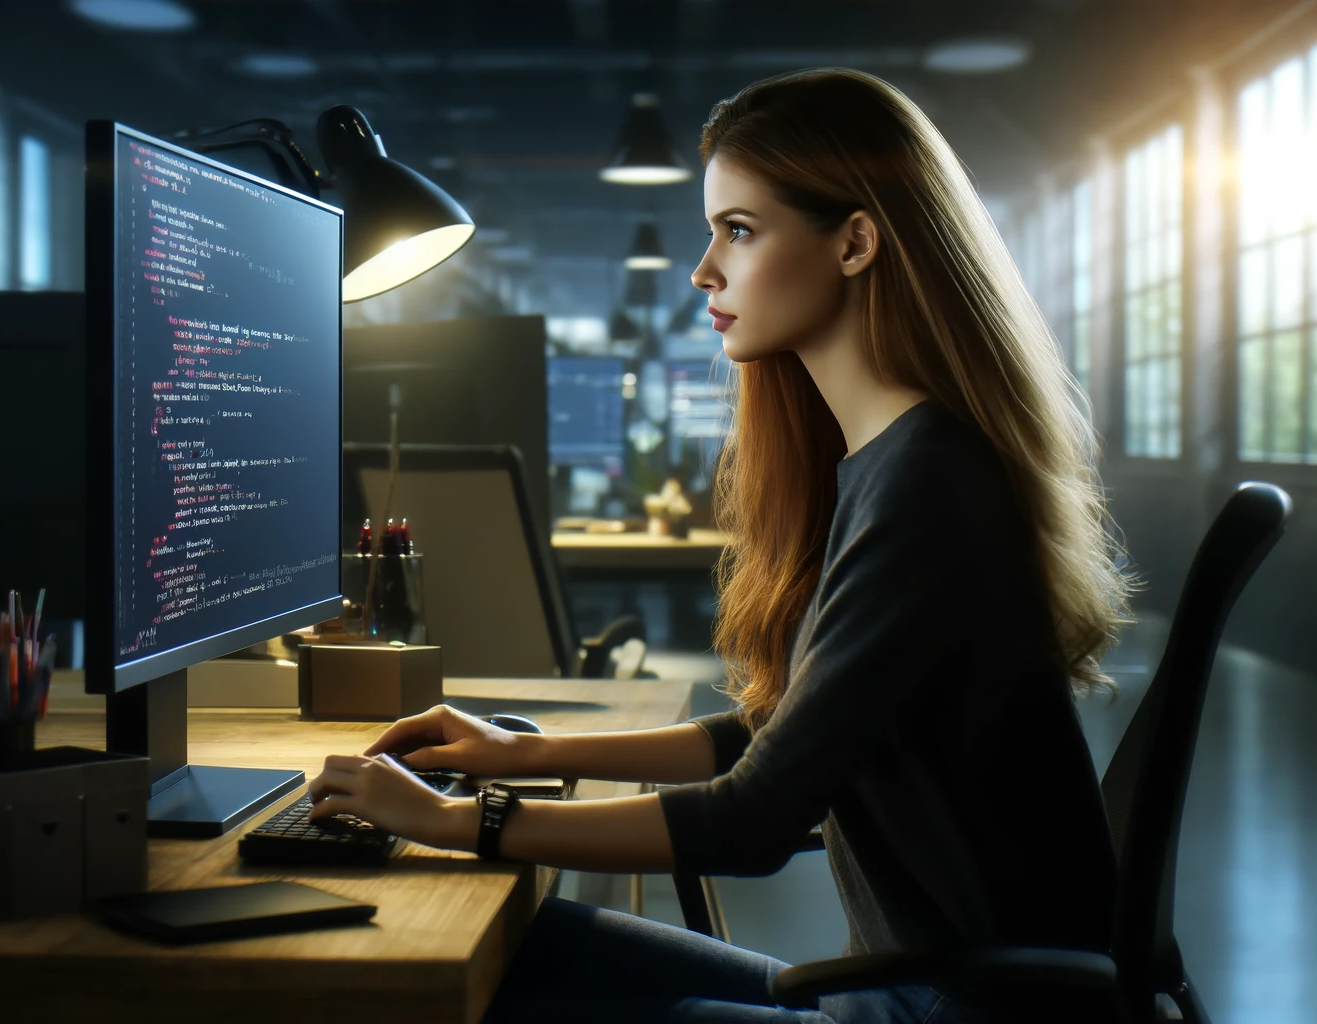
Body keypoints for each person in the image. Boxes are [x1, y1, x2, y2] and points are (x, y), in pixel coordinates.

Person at [306, 68, 1133, 1024]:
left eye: (739, 230)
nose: (706, 269)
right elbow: (783, 739)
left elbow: (755, 819)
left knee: (455, 987)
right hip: (914, 997)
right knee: (523, 950)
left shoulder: (929, 484)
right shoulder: (896, 461)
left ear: (856, 242)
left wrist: (454, 818)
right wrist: (517, 758)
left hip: (948, 1015)